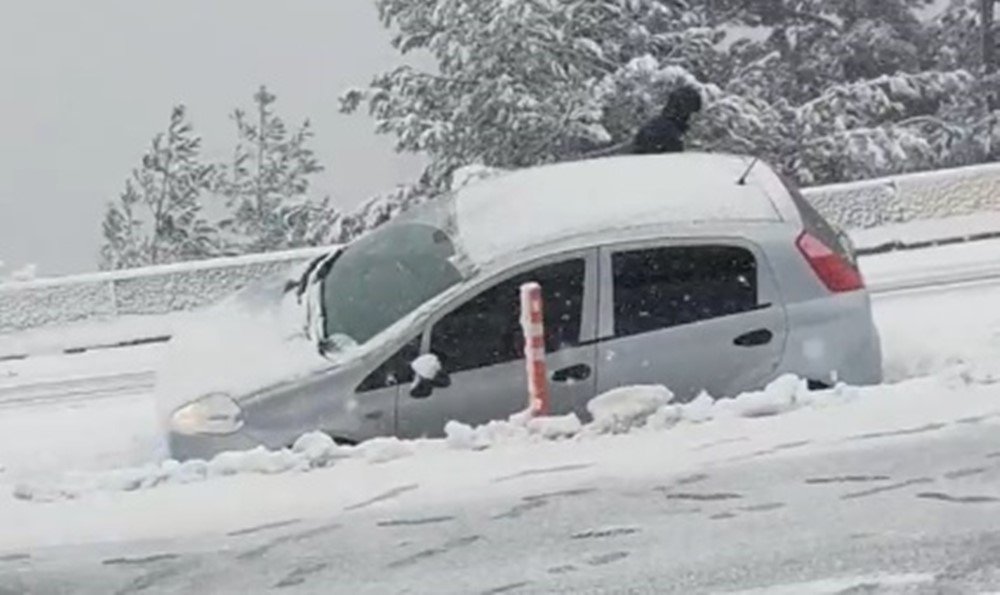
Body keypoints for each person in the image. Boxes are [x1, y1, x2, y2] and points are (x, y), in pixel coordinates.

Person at [631, 85, 703, 154]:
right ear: (685, 112)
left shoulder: (656, 125)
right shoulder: (671, 135)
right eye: (693, 113)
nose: (695, 119)